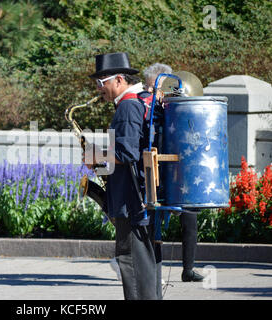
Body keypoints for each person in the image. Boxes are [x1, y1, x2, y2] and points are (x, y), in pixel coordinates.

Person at [87, 52, 160, 300]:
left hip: (131, 201)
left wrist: (96, 156)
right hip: (132, 198)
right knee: (140, 265)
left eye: (101, 83)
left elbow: (127, 153)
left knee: (132, 264)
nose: (99, 90)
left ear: (119, 79)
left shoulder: (128, 106)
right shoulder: (134, 103)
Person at [142, 63, 204, 283]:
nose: (150, 92)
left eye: (154, 88)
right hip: (156, 170)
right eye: (148, 88)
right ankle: (152, 271)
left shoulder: (176, 106)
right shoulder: (144, 107)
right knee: (153, 222)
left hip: (178, 169)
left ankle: (188, 268)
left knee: (190, 217)